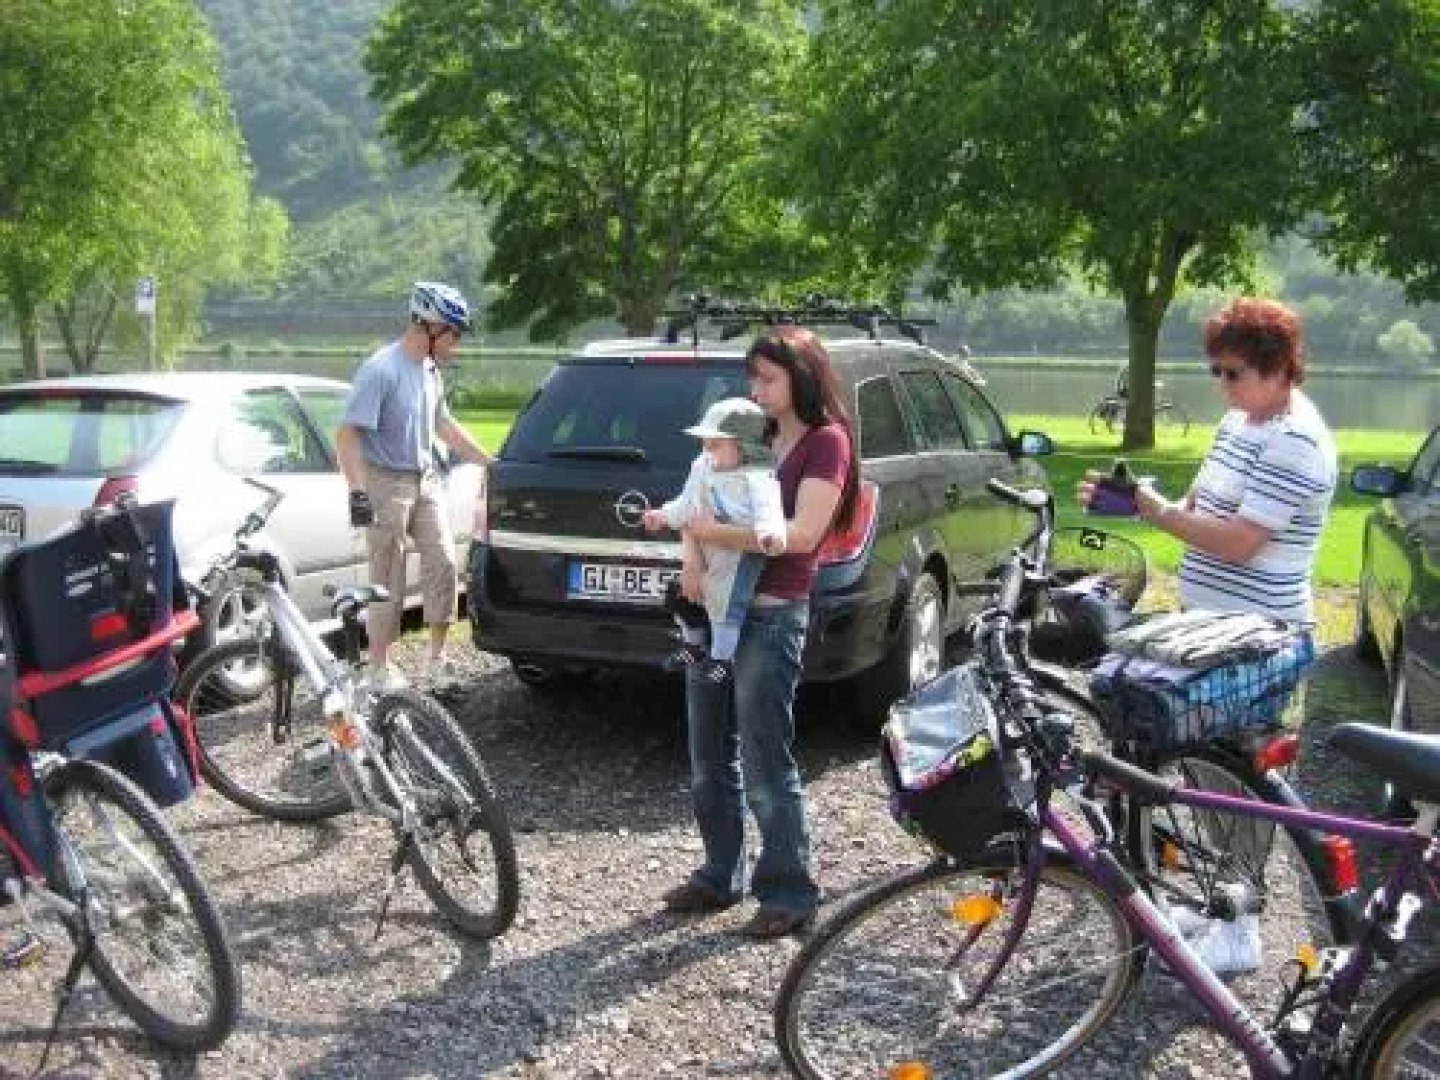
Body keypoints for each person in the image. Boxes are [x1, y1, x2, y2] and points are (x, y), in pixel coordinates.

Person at [659, 325, 859, 940]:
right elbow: (697, 495)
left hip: (771, 615)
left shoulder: (826, 444)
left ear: (801, 378)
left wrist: (709, 533)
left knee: (765, 756)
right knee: (706, 755)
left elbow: (800, 537)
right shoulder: (752, 433)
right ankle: (720, 874)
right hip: (716, 609)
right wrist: (692, 553)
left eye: (768, 379)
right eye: (753, 379)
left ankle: (790, 890)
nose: (757, 390)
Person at [1081, 297, 1337, 626]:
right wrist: (1131, 501)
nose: (1221, 383)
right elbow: (1192, 510)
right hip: (1206, 626)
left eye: (1233, 373)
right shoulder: (1236, 421)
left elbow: (1238, 544)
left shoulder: (1295, 440)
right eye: (1217, 370)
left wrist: (1154, 508)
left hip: (1259, 636)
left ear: (1278, 368)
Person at [335, 282, 492, 687]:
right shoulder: (380, 370)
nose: (456, 343)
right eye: (453, 333)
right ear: (430, 326)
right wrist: (356, 490)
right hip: (385, 481)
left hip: (425, 479)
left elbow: (444, 425)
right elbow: (347, 434)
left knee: (443, 562)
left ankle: (437, 663)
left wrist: (490, 461)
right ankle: (379, 667)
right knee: (387, 574)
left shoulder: (429, 371)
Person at [641, 397, 786, 684]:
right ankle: (693, 644)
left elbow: (770, 512)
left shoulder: (757, 477)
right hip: (706, 546)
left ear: (745, 444)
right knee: (683, 594)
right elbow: (688, 503)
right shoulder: (702, 466)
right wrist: (664, 515)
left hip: (738, 552)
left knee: (725, 603)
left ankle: (722, 659)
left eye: (716, 443)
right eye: (705, 442)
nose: (707, 449)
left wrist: (770, 534)